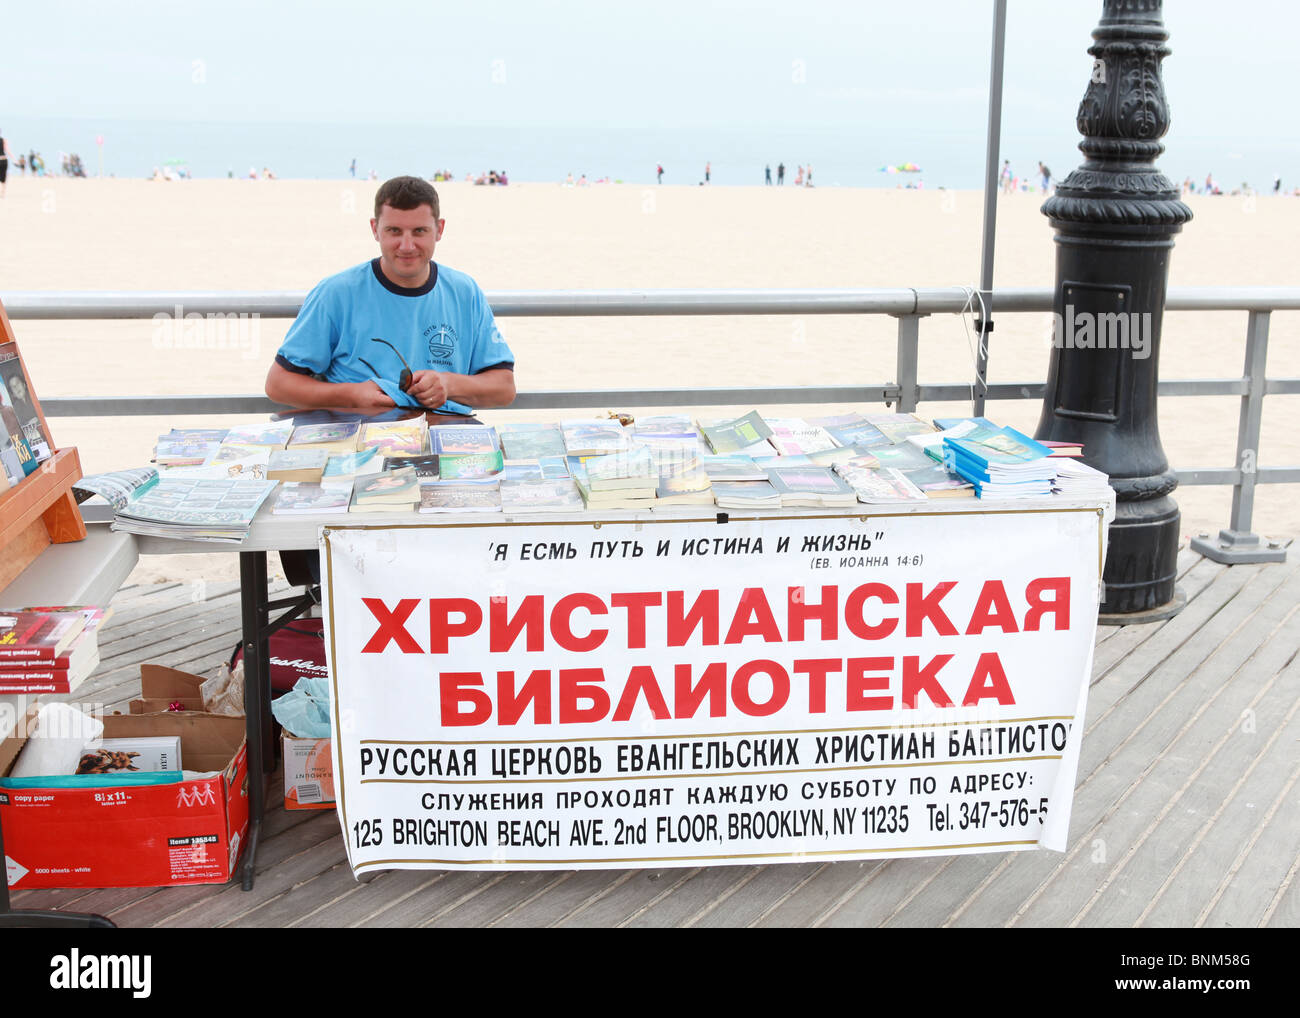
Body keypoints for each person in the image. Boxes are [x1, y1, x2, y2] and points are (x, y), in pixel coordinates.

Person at [265, 175, 516, 417]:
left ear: (439, 230)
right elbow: (278, 384)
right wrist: (351, 395)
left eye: (419, 231)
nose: (407, 246)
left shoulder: (465, 291)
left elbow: (504, 389)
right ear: (375, 229)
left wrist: (448, 385)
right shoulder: (336, 293)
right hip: (358, 436)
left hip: (443, 433)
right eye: (394, 231)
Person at [0, 130, 9, 197]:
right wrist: (14, 160)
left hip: (3, 160)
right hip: (4, 160)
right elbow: (7, 150)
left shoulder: (4, 140)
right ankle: (3, 193)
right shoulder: (4, 140)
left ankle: (3, 193)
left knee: (3, 177)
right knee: (4, 177)